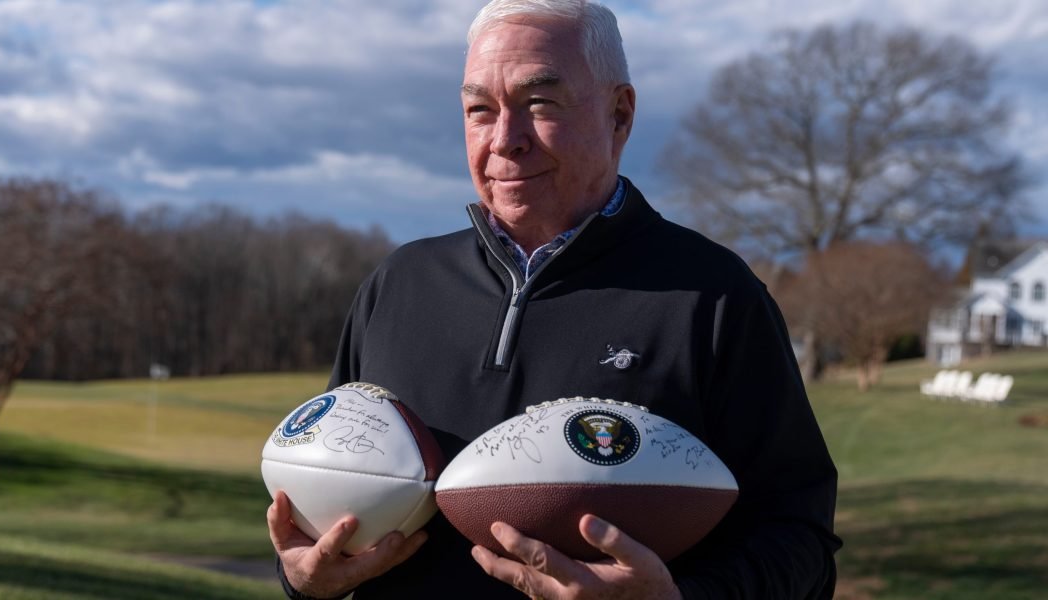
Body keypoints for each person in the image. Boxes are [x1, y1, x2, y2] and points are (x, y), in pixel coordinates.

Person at [267, 0, 841, 598]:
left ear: (620, 114)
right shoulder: (398, 283)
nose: (505, 140)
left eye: (540, 104)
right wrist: (303, 578)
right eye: (479, 110)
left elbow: (801, 545)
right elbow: (321, 495)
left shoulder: (714, 296)